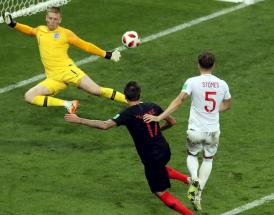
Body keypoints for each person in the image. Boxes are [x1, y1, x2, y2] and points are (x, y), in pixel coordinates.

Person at [64, 81, 195, 215]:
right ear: (140, 94)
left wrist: (79, 120)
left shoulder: (127, 114)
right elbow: (172, 121)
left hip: (151, 157)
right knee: (160, 168)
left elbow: (105, 125)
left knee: (159, 191)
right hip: (164, 150)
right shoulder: (153, 106)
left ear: (125, 97)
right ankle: (189, 180)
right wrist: (157, 132)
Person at [144, 52, 232, 211]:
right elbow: (227, 105)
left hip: (195, 130)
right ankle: (198, 191)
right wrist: (213, 111)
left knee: (192, 155)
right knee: (208, 159)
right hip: (213, 131)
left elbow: (179, 101)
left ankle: (194, 178)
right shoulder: (222, 84)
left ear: (198, 65)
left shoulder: (192, 81)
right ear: (213, 65)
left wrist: (159, 117)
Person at [3, 7, 127, 113]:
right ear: (46, 18)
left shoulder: (65, 33)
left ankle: (132, 101)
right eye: (50, 18)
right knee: (29, 96)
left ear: (60, 20)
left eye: (55, 19)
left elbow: (85, 45)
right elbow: (30, 31)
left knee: (96, 90)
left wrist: (106, 54)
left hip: (69, 72)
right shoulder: (40, 30)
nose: (52, 21)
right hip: (53, 78)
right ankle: (68, 104)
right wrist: (13, 24)